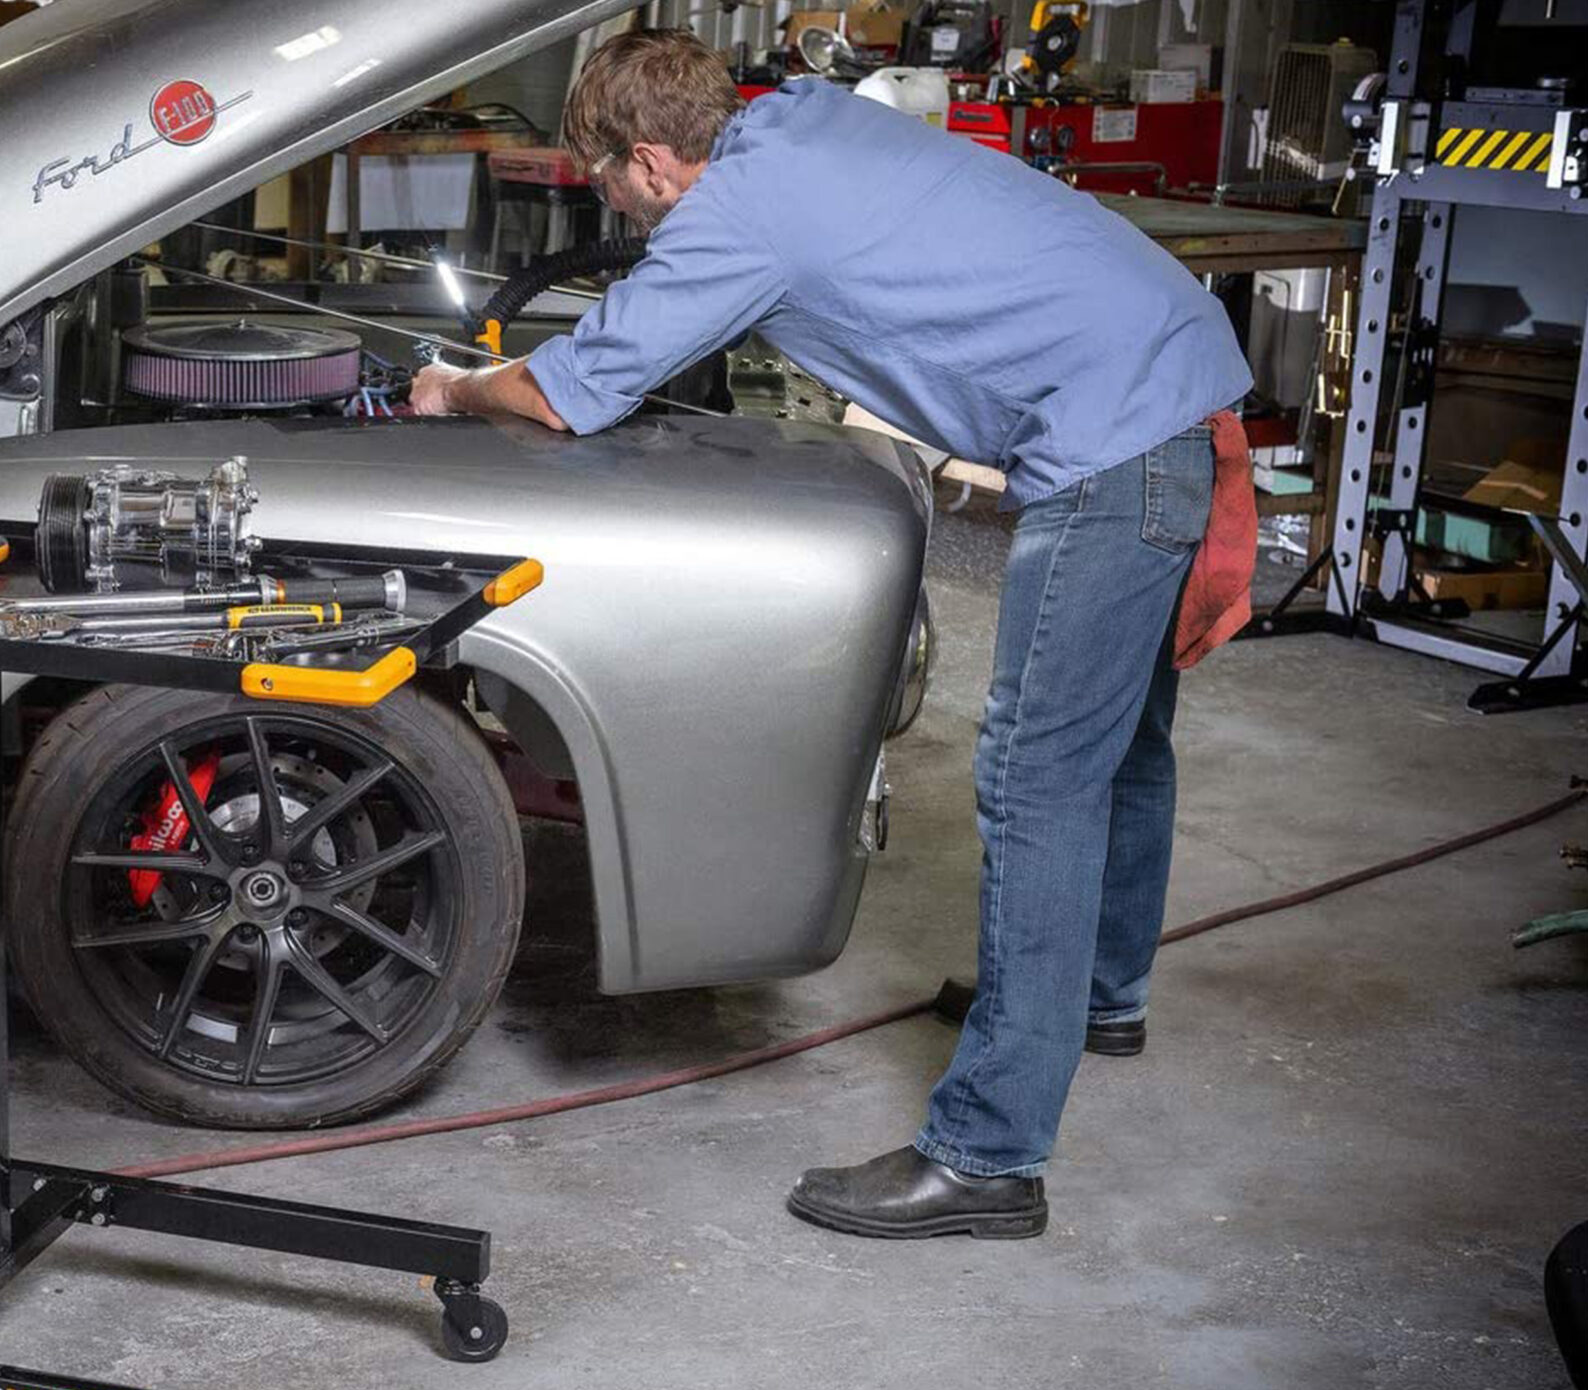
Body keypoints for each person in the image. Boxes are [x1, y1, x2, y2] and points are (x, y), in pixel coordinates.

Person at [410, 29, 1251, 1240]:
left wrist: (454, 388)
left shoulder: (735, 217)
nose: (614, 207)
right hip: (1165, 377)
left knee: (1037, 777)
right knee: (1120, 747)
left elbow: (565, 392)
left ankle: (988, 1157)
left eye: (607, 182)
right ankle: (1096, 997)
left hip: (1118, 441)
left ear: (648, 161)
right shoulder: (795, 120)